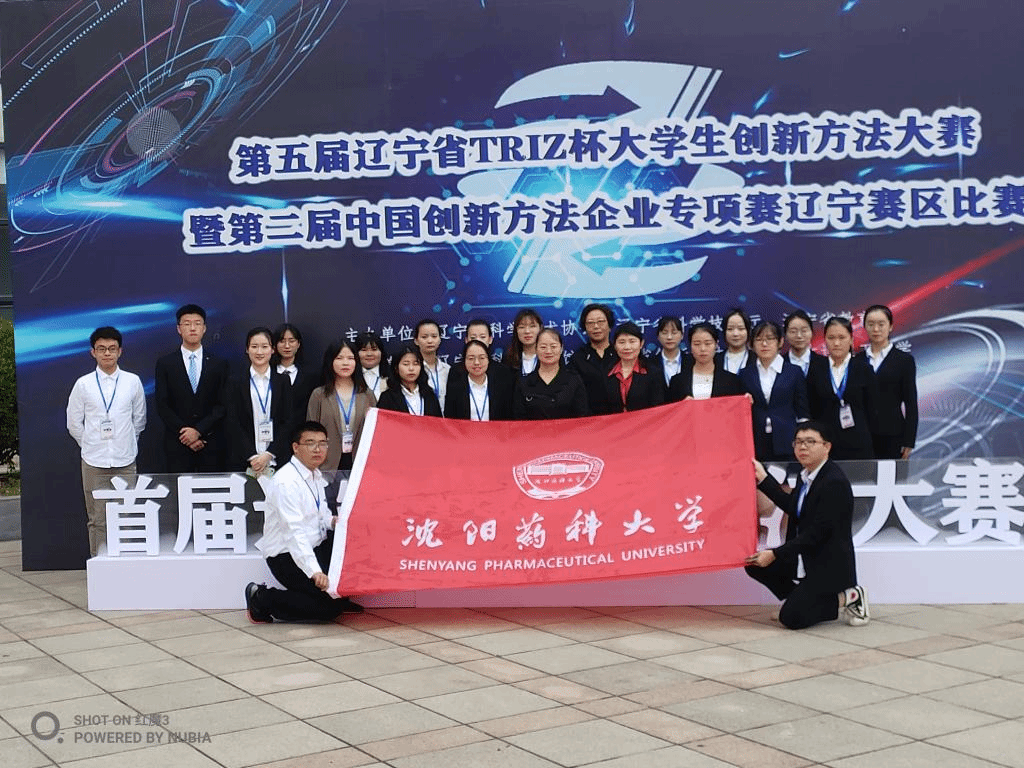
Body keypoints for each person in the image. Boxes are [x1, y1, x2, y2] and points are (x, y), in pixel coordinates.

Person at [745, 421, 870, 630]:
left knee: (791, 619)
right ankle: (799, 601)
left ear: (827, 447)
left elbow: (816, 534)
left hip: (825, 567)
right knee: (754, 564)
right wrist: (763, 478)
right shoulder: (806, 476)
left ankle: (850, 596)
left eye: (810, 442)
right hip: (803, 559)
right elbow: (793, 506)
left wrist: (775, 553)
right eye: (798, 442)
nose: (803, 447)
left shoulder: (834, 482)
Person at [245, 421, 363, 622]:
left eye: (322, 443)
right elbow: (295, 533)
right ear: (296, 447)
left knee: (354, 539)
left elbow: (321, 515)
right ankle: (262, 598)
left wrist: (334, 522)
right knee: (326, 609)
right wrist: (314, 571)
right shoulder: (286, 482)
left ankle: (338, 597)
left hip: (316, 545)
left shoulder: (314, 474)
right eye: (310, 443)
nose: (318, 449)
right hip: (287, 555)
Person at [66, 327, 147, 556]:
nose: (107, 353)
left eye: (112, 348)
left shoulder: (132, 381)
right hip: (94, 461)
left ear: (120, 351)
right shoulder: (83, 384)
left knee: (127, 516)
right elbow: (73, 422)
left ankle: (125, 564)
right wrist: (90, 444)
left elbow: (139, 419)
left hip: (125, 460)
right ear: (93, 352)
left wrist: (126, 442)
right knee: (98, 519)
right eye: (101, 349)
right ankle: (99, 564)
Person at [154, 304, 230, 472]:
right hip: (177, 444)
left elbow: (222, 405)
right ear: (179, 329)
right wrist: (186, 434)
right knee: (179, 488)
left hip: (210, 443)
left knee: (212, 488)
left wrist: (199, 431)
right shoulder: (166, 363)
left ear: (204, 328)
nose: (193, 328)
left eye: (197, 323)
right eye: (187, 324)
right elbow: (162, 404)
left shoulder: (219, 364)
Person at [222, 327, 293, 476]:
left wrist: (269, 454)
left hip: (277, 459)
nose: (259, 352)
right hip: (243, 460)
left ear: (272, 350)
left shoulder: (283, 381)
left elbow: (288, 421)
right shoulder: (235, 382)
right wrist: (252, 456)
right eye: (254, 347)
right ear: (247, 349)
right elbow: (232, 421)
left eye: (264, 347)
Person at [806, 316, 876, 460]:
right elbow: (812, 409)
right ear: (825, 340)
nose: (836, 343)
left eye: (842, 337)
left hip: (859, 443)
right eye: (831, 338)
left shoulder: (863, 368)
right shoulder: (816, 369)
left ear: (851, 339)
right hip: (825, 445)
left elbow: (873, 409)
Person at [739, 320, 809, 461]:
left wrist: (803, 439)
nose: (764, 344)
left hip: (787, 440)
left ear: (780, 342)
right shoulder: (745, 374)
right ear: (752, 344)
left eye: (770, 339)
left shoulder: (793, 372)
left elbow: (802, 410)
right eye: (759, 340)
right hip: (756, 441)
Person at [306, 339, 377, 471]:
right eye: (339, 358)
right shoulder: (319, 394)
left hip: (360, 462)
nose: (345, 363)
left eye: (350, 358)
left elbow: (375, 432)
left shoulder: (367, 394)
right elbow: (310, 432)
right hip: (326, 463)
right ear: (331, 361)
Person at [859, 304, 918, 459]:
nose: (876, 329)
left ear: (890, 326)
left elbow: (911, 404)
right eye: (871, 324)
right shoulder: (857, 360)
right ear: (865, 327)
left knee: (892, 474)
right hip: (862, 436)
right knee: (863, 474)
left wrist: (909, 440)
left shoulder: (904, 360)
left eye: (881, 324)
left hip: (894, 435)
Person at [513, 328, 589, 419]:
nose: (548, 351)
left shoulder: (574, 380)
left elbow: (582, 417)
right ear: (536, 349)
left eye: (553, 346)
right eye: (543, 347)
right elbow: (519, 419)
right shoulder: (524, 383)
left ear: (561, 349)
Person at [667, 322, 742, 401]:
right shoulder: (677, 381)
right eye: (697, 344)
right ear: (690, 346)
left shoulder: (731, 380)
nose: (702, 349)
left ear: (716, 344)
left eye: (707, 343)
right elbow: (671, 407)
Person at [602, 322, 665, 412]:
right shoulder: (607, 372)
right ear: (615, 346)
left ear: (641, 344)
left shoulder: (653, 373)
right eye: (622, 342)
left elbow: (658, 408)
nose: (627, 347)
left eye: (632, 341)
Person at [444, 339, 515, 420]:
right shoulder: (455, 387)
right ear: (464, 361)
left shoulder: (501, 386)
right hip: (464, 428)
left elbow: (507, 417)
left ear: (488, 360)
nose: (476, 362)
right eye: (471, 358)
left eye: (481, 358)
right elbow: (450, 418)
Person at [568, 303, 618, 415]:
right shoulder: (577, 358)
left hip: (622, 419)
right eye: (590, 323)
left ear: (609, 326)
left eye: (601, 322)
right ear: (585, 328)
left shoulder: (621, 354)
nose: (596, 326)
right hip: (589, 420)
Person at [376, 343, 443, 416]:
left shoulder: (429, 394)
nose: (411, 368)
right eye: (406, 364)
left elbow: (438, 421)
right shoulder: (387, 398)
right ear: (396, 368)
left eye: (416, 364)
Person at [273, 323, 318, 425]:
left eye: (291, 341)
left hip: (303, 429)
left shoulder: (311, 375)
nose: (287, 346)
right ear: (275, 345)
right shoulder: (268, 373)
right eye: (282, 341)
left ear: (298, 344)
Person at [413, 319, 450, 411]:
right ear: (416, 341)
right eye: (424, 337)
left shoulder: (448, 369)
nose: (430, 341)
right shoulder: (413, 370)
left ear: (440, 339)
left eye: (434, 336)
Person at [784, 310, 828, 381]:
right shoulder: (778, 363)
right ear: (786, 335)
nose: (799, 336)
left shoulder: (825, 363)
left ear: (812, 333)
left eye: (804, 331)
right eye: (793, 331)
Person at [646, 315, 688, 389]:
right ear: (658, 336)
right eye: (664, 333)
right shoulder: (649, 364)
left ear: (682, 335)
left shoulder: (691, 362)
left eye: (674, 333)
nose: (669, 337)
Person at [504, 308, 543, 376]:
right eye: (522, 327)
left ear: (540, 329)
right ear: (516, 331)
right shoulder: (508, 359)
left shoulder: (548, 356)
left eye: (532, 326)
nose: (527, 331)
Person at [716, 308, 754, 375]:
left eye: (741, 329)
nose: (735, 334)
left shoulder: (757, 359)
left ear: (748, 331)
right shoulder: (715, 360)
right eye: (730, 329)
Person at [355, 330, 390, 401]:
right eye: (364, 350)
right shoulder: (350, 377)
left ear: (381, 352)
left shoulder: (391, 377)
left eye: (374, 350)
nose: (369, 354)